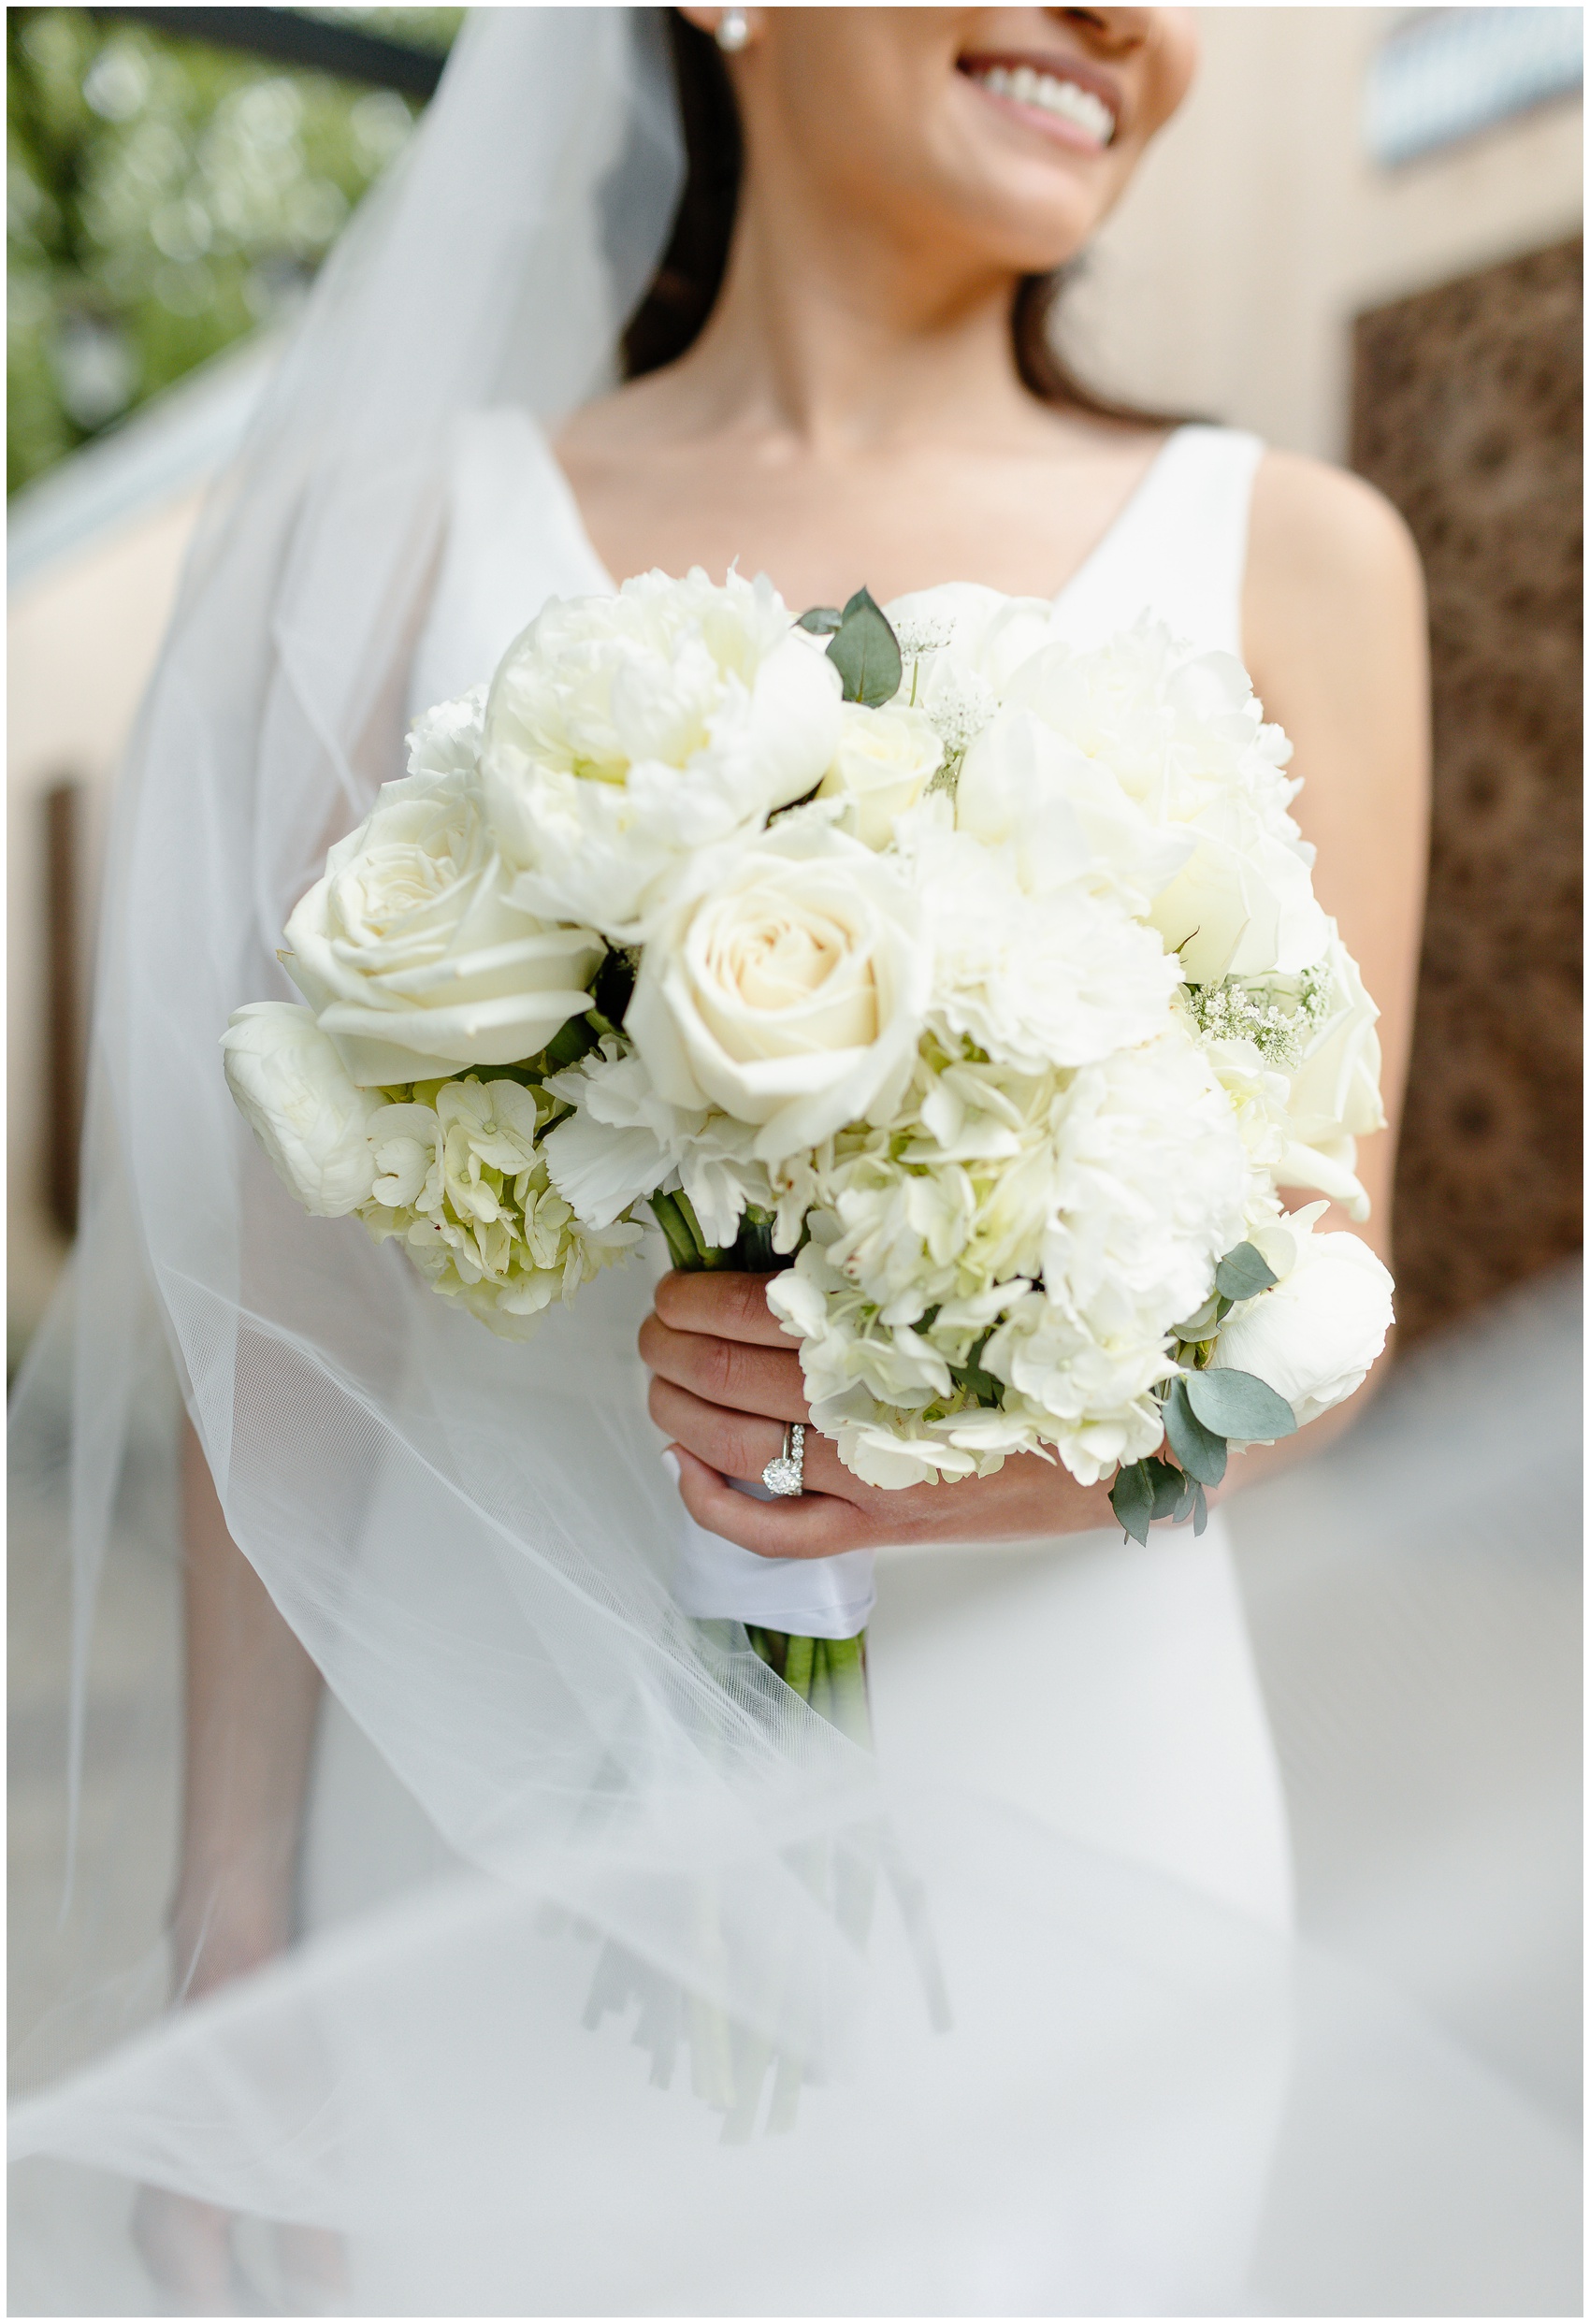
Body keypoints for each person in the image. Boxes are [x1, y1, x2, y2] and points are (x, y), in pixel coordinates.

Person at [18, 11, 1570, 2318]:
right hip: (471, 1836)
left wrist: (962, 1463)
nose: (1128, 26)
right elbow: (298, 1307)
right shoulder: (398, 537)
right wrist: (231, 1914)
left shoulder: (1298, 553)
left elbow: (1320, 1305)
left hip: (1080, 1846)